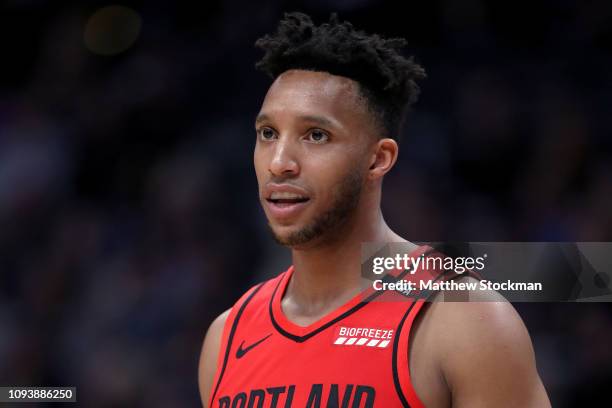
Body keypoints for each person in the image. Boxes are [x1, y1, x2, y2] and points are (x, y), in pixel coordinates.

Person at [198, 12, 550, 408]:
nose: (279, 162)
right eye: (268, 134)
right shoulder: (226, 337)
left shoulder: (464, 321)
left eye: (316, 135)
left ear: (378, 159)